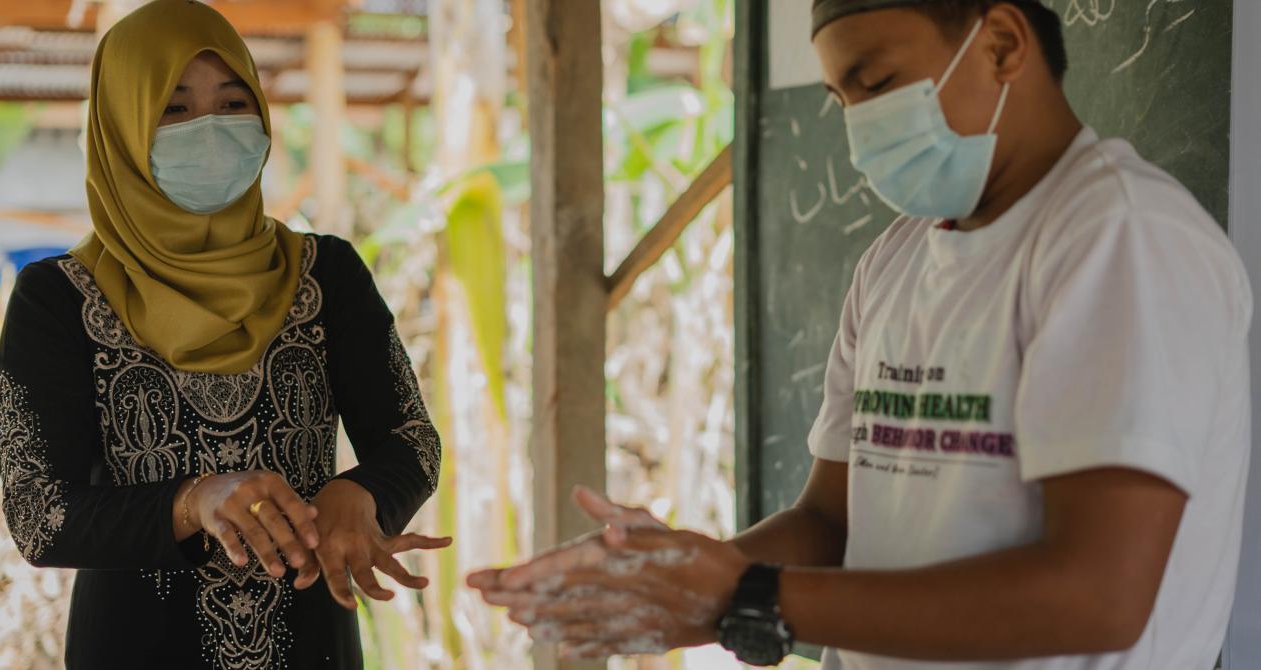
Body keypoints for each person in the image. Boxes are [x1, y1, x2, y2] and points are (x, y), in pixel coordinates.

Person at [469, 1, 1253, 668]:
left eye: (876, 83)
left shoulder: (1119, 238)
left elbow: (1098, 595)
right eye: (844, 98)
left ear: (1003, 44)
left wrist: (745, 597)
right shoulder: (897, 261)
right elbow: (831, 524)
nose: (859, 127)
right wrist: (686, 573)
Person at [0, 2, 449, 668]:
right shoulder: (57, 299)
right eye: (174, 111)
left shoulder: (327, 275)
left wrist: (362, 493)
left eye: (233, 104)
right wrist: (192, 501)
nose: (210, 131)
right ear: (122, 129)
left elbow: (411, 440)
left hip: (311, 650)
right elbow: (41, 516)